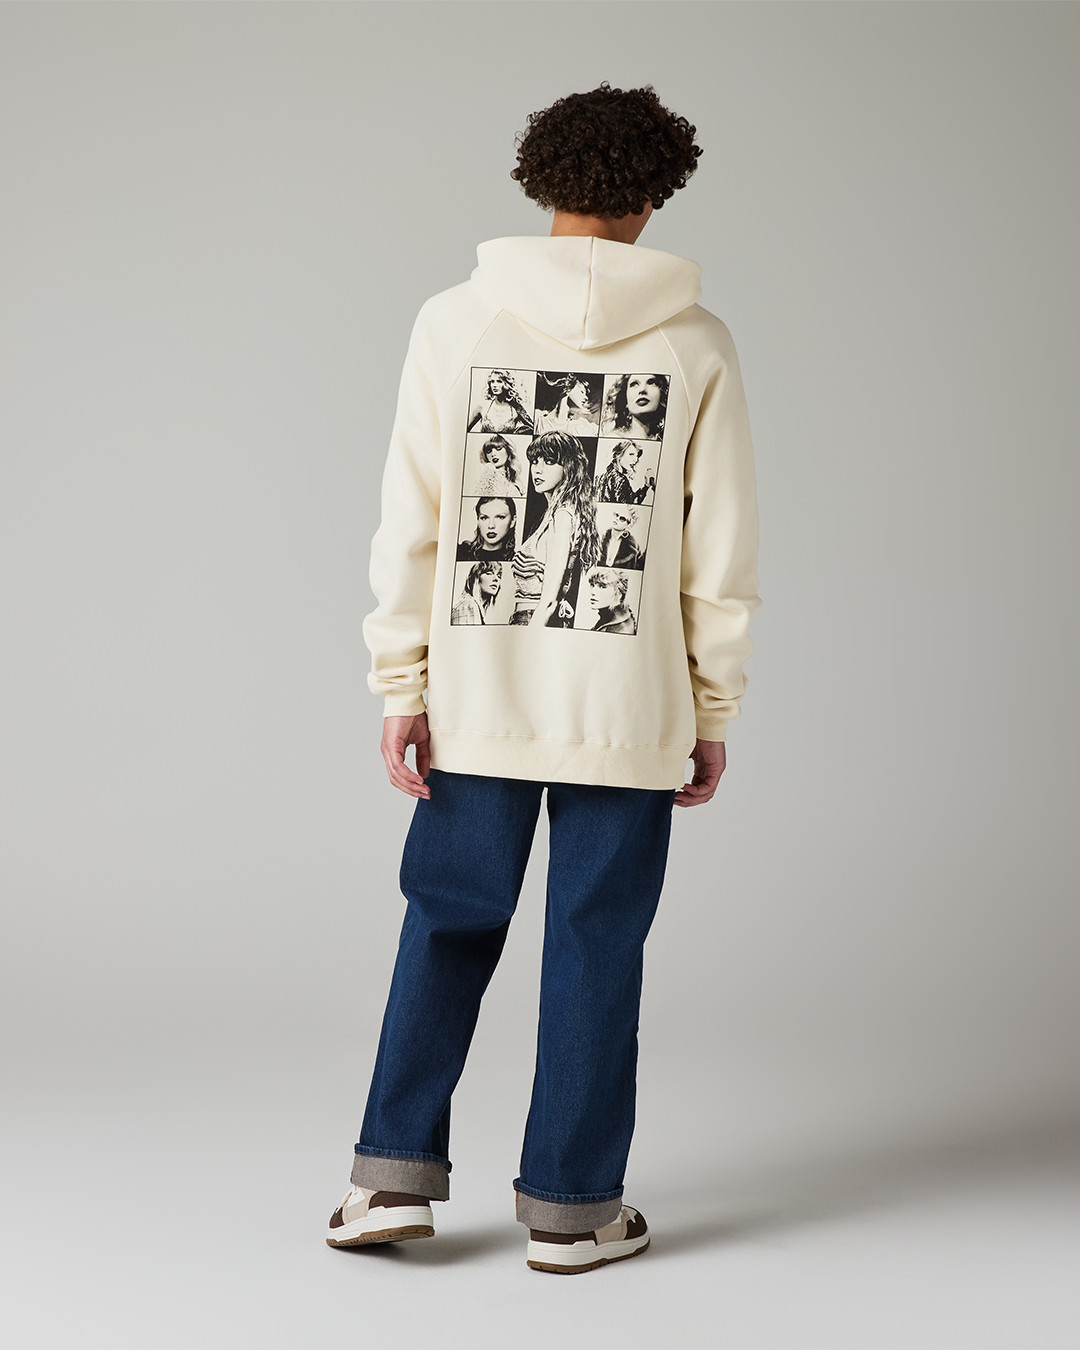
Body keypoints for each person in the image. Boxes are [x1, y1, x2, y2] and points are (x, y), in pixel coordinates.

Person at [331, 82, 760, 1275]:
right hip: (628, 709)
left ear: (540, 182)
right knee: (596, 942)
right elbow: (721, 556)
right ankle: (574, 1210)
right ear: (656, 195)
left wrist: (402, 683)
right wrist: (712, 707)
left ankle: (387, 1182)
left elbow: (411, 524)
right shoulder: (696, 344)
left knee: (446, 923)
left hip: (477, 701)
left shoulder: (453, 323)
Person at [509, 431, 599, 627]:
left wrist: (530, 635)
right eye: (535, 461)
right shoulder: (555, 513)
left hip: (533, 621)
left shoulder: (563, 516)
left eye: (549, 462)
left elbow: (549, 602)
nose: (538, 470)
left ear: (569, 467)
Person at [601, 374, 668, 440]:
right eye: (634, 384)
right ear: (625, 400)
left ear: (662, 395)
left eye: (651, 383)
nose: (642, 389)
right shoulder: (612, 439)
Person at [467, 368, 534, 434]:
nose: (494, 385)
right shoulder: (482, 406)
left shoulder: (516, 408)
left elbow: (532, 428)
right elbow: (465, 430)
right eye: (492, 381)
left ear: (507, 384)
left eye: (499, 381)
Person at [533, 372, 601, 436]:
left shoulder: (581, 428)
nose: (586, 397)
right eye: (582, 392)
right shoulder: (537, 419)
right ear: (568, 387)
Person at [457, 496, 518, 561]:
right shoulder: (459, 552)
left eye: (500, 517)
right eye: (484, 518)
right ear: (478, 520)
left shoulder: (517, 561)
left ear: (512, 521)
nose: (491, 526)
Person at [596, 439, 655, 505]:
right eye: (631, 454)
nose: (635, 460)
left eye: (636, 456)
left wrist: (646, 486)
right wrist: (646, 487)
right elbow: (631, 504)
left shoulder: (601, 476)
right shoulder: (621, 480)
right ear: (619, 455)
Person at [585, 567, 637, 633]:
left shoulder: (617, 629)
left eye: (602, 586)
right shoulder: (622, 617)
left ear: (619, 592)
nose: (593, 592)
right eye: (592, 585)